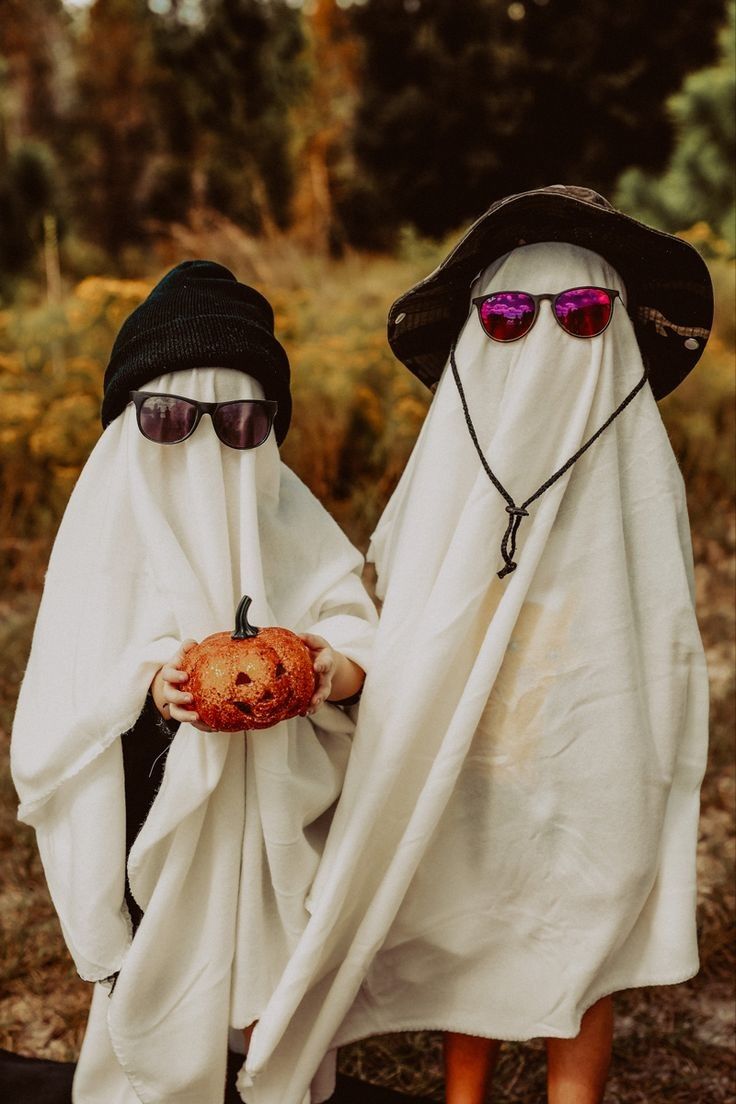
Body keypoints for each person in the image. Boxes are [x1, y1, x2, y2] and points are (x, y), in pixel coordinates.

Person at [238, 186, 713, 1104]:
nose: (541, 339)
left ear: (613, 330)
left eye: (580, 314)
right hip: (481, 740)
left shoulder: (633, 470)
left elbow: (660, 625)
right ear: (474, 334)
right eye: (505, 315)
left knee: (586, 913)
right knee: (478, 912)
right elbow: (417, 609)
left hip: (596, 736)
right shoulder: (457, 466)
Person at [10, 261, 377, 1104]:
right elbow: (67, 688)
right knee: (159, 969)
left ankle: (268, 1071)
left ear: (268, 430)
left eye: (241, 421)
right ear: (132, 423)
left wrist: (331, 668)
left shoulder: (289, 515)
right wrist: (148, 691)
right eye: (171, 418)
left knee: (272, 970)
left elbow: (357, 627)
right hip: (150, 803)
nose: (206, 445)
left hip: (274, 801)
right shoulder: (106, 530)